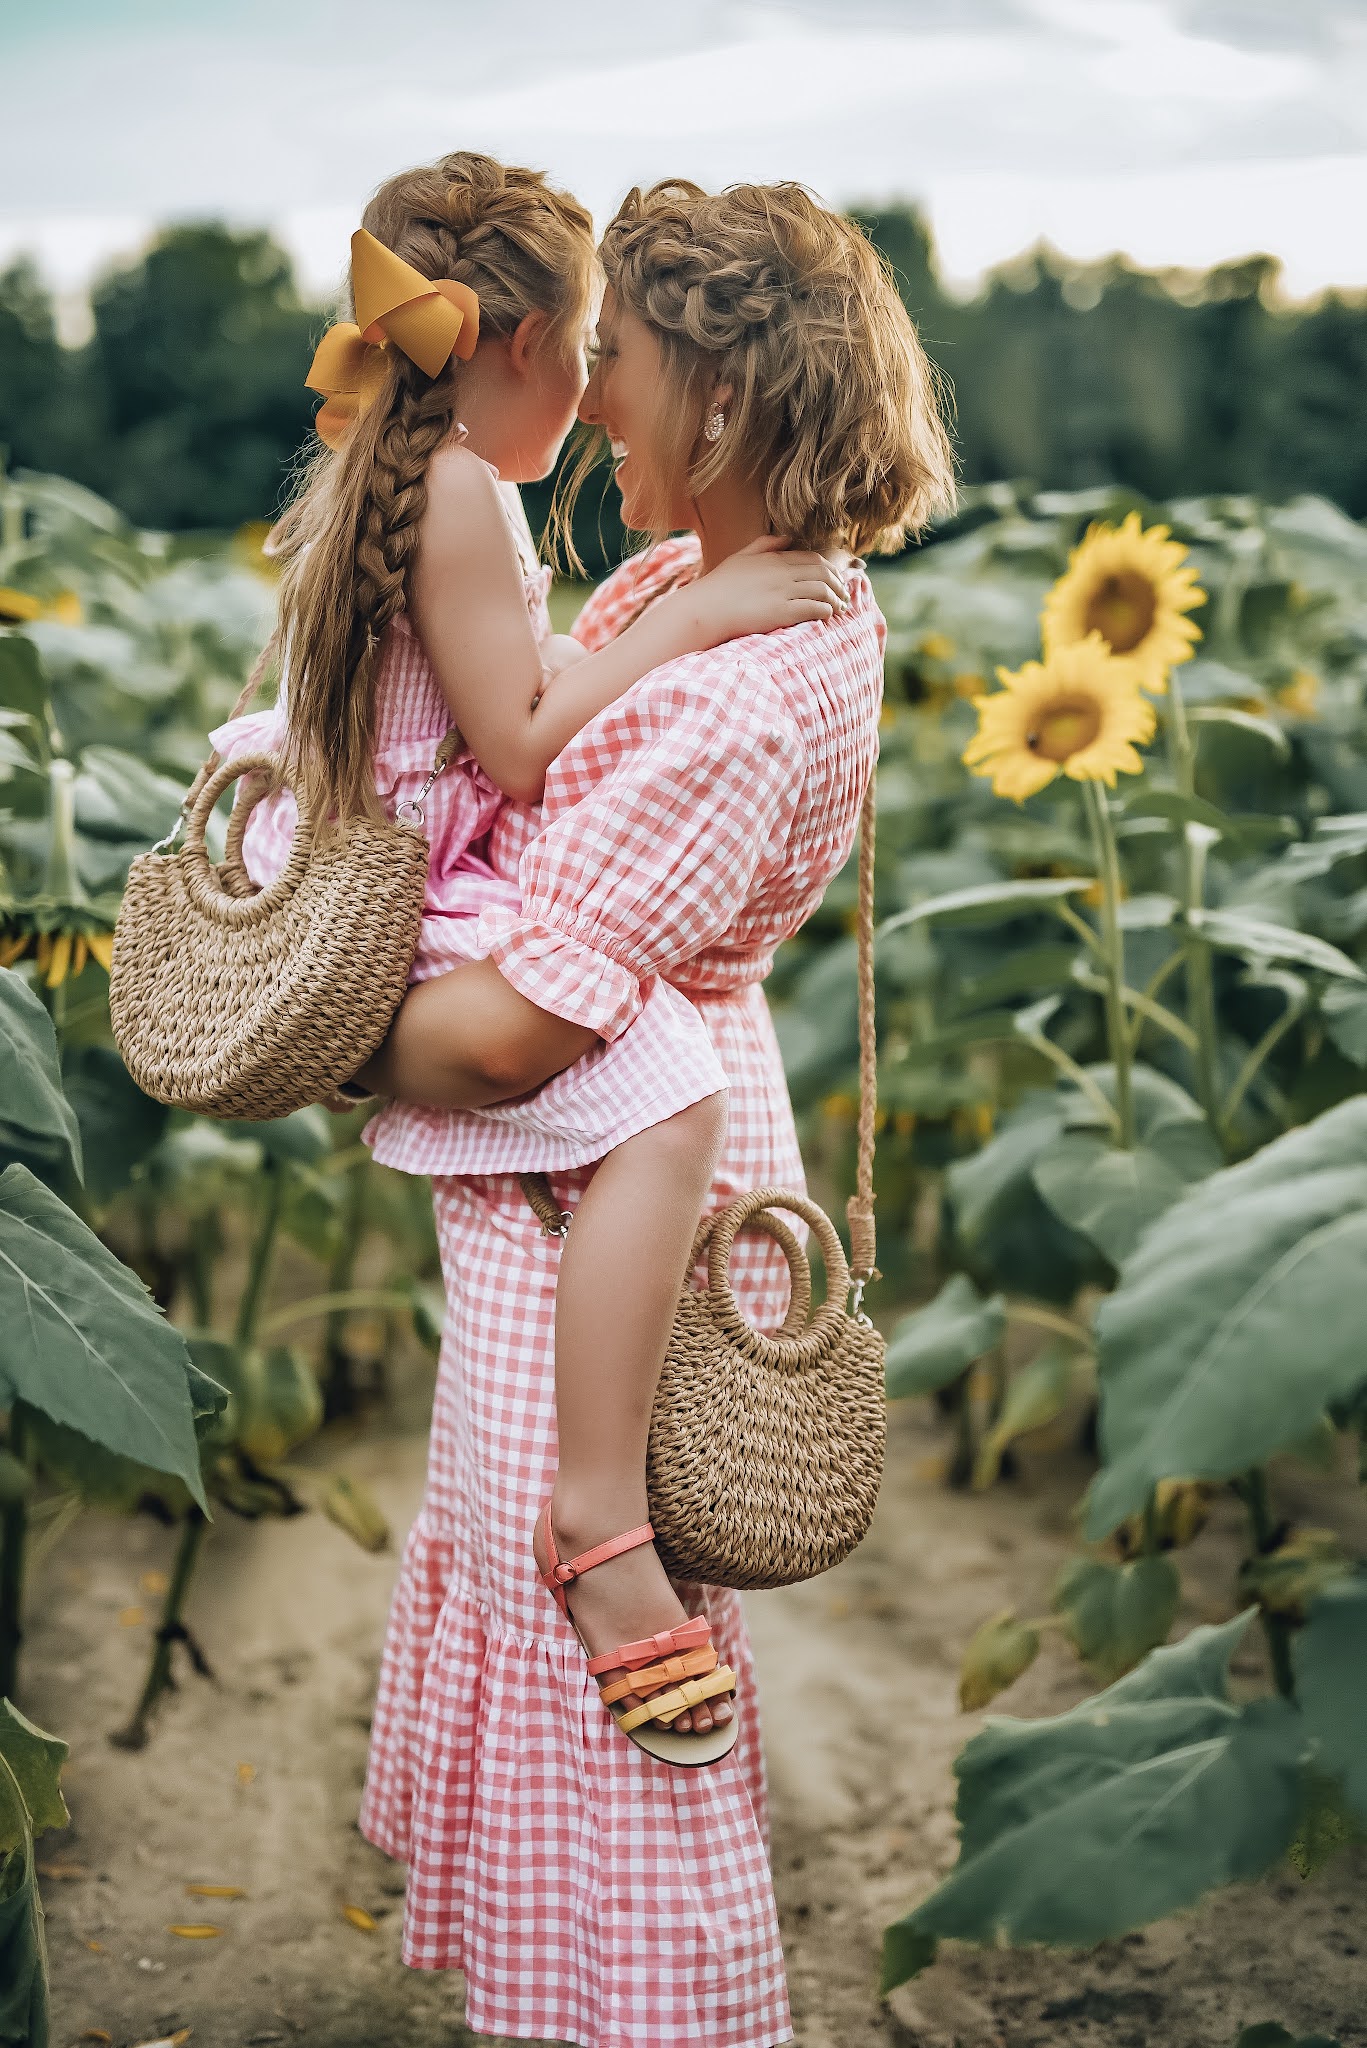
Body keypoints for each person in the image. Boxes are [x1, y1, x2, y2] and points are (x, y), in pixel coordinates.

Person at [357, 177, 955, 2047]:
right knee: (577, 1682)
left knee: (594, 1693)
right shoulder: (708, 591)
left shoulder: (735, 697)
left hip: (601, 1195)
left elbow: (525, 1037)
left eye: (624, 359)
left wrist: (343, 1034)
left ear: (725, 393)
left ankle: (624, 2018)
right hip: (612, 1165)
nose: (595, 389)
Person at [212, 152, 850, 1765]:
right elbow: (515, 745)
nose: (597, 386)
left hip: (411, 868)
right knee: (670, 1101)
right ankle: (599, 1506)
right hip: (430, 892)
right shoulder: (467, 494)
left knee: (656, 1086)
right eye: (589, 347)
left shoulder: (415, 475)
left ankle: (590, 1496)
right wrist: (684, 625)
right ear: (515, 344)